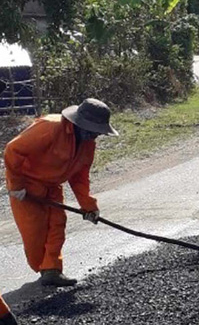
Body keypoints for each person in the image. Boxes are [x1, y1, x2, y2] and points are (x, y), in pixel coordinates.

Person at [4, 98, 119, 287]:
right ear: (79, 124)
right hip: (27, 188)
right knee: (35, 234)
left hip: (52, 186)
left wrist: (88, 206)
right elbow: (13, 150)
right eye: (93, 131)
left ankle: (52, 271)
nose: (95, 136)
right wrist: (16, 186)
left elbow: (79, 176)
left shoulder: (88, 143)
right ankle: (42, 267)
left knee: (57, 225)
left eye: (98, 132)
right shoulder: (49, 128)